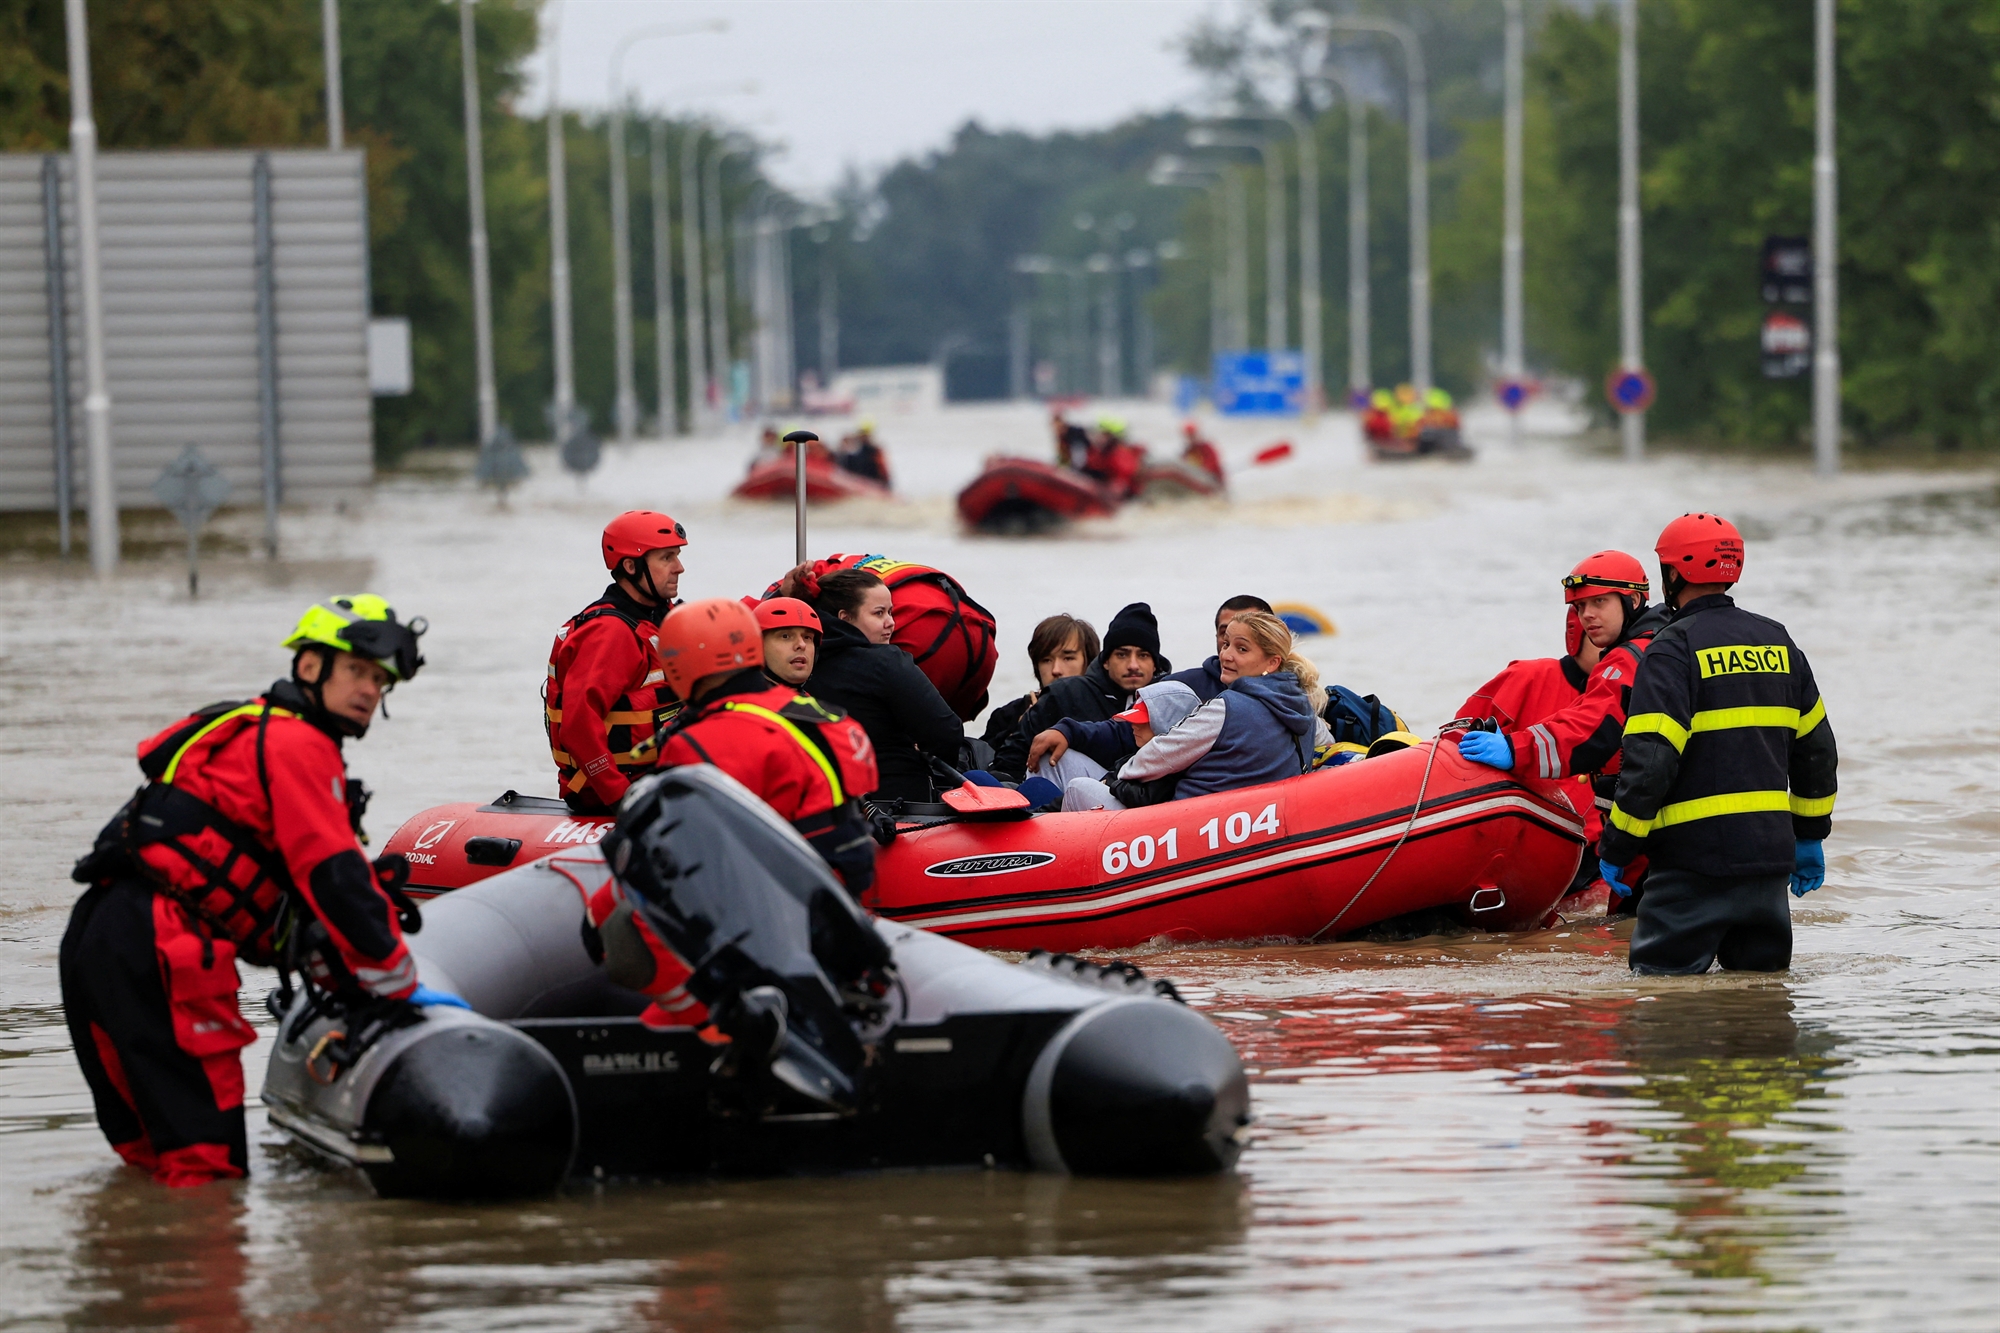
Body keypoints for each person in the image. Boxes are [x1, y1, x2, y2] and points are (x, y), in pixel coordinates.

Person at [60, 597, 455, 1187]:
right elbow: (333, 876)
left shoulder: (248, 728)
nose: (370, 690)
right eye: (356, 671)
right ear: (309, 668)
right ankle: (207, 1276)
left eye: (380, 680)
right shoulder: (300, 745)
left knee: (150, 1159)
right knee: (206, 1170)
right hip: (165, 946)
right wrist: (397, 977)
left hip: (97, 934)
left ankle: (140, 1269)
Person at [1597, 513, 1838, 975]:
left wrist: (1618, 846)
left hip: (1692, 867)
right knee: (1761, 1002)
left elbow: (1650, 763)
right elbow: (1817, 751)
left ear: (1673, 574)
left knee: (1661, 1004)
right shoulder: (1778, 642)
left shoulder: (1671, 649)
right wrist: (1809, 836)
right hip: (1768, 867)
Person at [1454, 550, 1665, 903]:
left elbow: (1588, 730)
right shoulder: (1672, 647)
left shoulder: (1630, 661)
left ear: (1632, 600)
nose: (1588, 616)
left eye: (1598, 602)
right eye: (1581, 607)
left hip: (1640, 843)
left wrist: (1513, 749)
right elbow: (1456, 734)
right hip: (1645, 838)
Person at [654, 599, 881, 894]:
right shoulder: (836, 720)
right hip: (846, 898)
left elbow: (683, 853)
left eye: (807, 638)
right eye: (785, 636)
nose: (800, 646)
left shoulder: (692, 743)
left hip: (767, 903)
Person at [1061, 611, 1319, 812]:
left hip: (1186, 827)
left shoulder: (1227, 707)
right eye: (1226, 643)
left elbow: (1157, 755)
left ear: (1272, 662)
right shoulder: (1304, 710)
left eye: (1241, 649)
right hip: (1257, 823)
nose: (1226, 655)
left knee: (1077, 787)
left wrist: (1117, 777)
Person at [546, 511, 688, 814]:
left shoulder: (659, 615)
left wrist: (783, 594)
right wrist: (622, 799)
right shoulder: (610, 634)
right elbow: (578, 727)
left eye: (676, 556)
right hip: (615, 792)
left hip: (659, 778)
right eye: (667, 558)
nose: (680, 568)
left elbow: (727, 632)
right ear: (630, 566)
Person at [805, 567, 964, 805]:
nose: (891, 623)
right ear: (845, 618)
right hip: (898, 801)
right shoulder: (886, 662)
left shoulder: (800, 664)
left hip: (825, 802)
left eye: (891, 612)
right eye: (879, 614)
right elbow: (946, 732)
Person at [1171, 595, 1403, 757]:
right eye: (1226, 636)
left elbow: (1324, 744)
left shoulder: (1299, 698)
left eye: (1244, 644)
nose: (1227, 652)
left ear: (1273, 656)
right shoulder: (1183, 688)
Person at [993, 602, 1169, 781]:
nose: (1133, 665)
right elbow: (1009, 762)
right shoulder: (1064, 694)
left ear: (1155, 663)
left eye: (1143, 655)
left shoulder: (1175, 701)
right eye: (1122, 654)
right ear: (1105, 661)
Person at [980, 613, 1100, 779]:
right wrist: (1021, 729)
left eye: (1068, 658)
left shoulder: (1104, 715)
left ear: (1089, 662)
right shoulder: (1008, 715)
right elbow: (984, 766)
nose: (1056, 669)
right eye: (1046, 660)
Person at [757, 596, 821, 686]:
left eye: (807, 637)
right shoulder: (738, 699)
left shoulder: (814, 700)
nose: (802, 645)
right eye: (785, 636)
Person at [837, 421, 890, 486]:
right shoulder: (856, 453)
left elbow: (883, 475)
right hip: (859, 482)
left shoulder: (874, 452)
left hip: (873, 484)